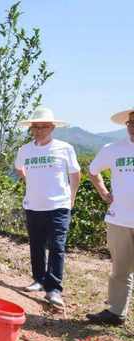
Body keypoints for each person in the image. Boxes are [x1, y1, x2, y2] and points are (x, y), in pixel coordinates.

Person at [14, 106, 81, 308]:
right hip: (33, 205)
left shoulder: (64, 148)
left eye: (44, 126)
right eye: (36, 127)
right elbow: (18, 168)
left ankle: (54, 289)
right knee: (36, 245)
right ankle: (39, 279)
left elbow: (75, 174)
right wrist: (30, 182)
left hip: (59, 205)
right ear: (31, 128)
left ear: (52, 128)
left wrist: (72, 197)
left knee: (57, 247)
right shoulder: (25, 150)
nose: (39, 130)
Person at [86, 108, 134, 326]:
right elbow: (93, 171)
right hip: (119, 219)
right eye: (130, 123)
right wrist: (104, 193)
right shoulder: (113, 149)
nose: (132, 126)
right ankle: (116, 312)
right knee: (120, 270)